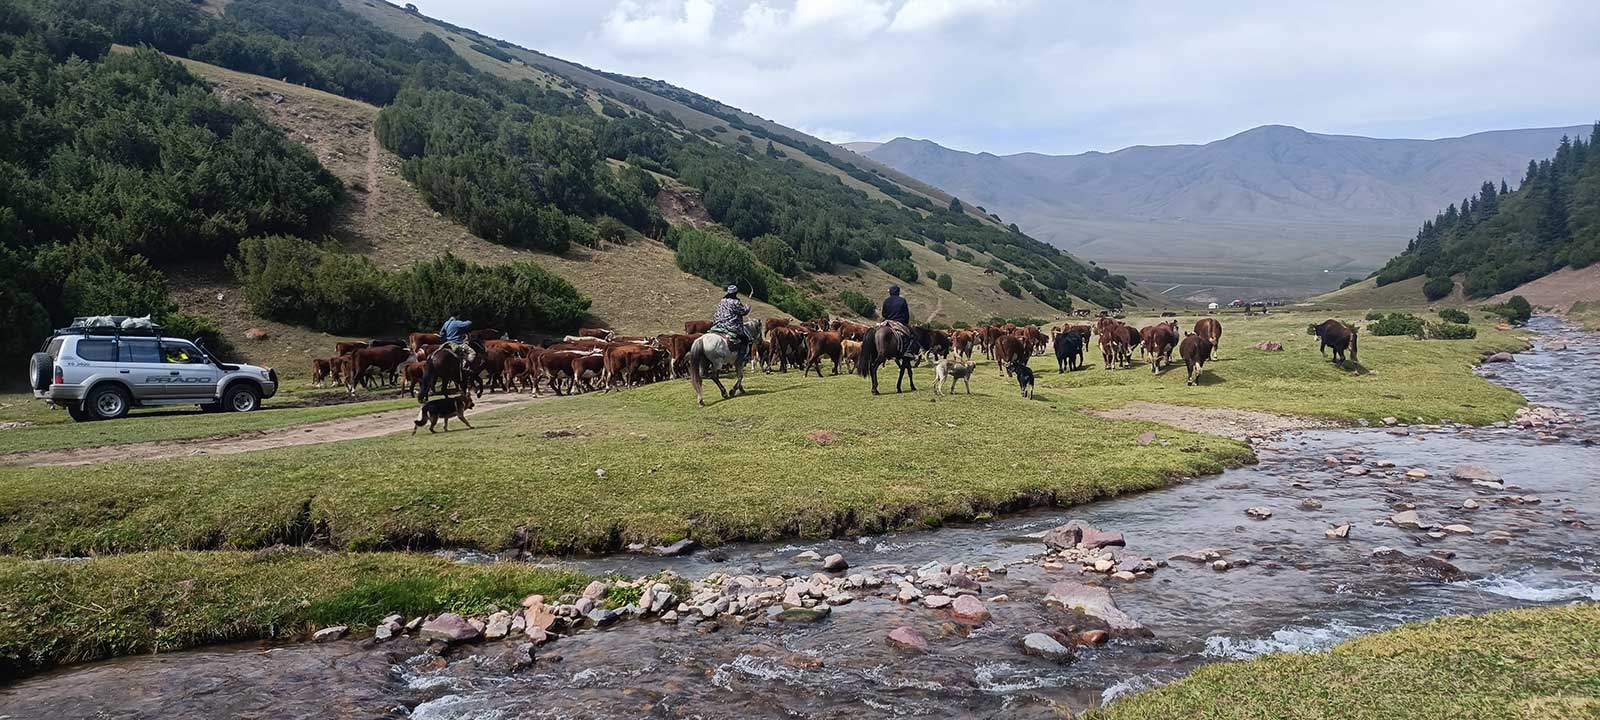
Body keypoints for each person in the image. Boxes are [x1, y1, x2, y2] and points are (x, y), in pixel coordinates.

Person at [710, 284, 751, 359]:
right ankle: (741, 357)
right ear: (735, 293)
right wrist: (748, 306)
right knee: (745, 339)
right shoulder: (735, 302)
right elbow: (743, 312)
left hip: (717, 324)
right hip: (731, 326)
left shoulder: (722, 300)